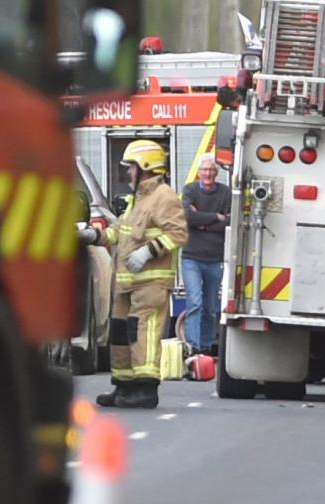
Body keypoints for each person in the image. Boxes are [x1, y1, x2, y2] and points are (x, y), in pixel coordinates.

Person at [79, 139, 187, 409]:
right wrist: (94, 235)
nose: (128, 172)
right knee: (119, 332)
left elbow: (178, 234)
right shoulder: (138, 199)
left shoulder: (164, 197)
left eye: (131, 167)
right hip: (126, 282)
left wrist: (148, 252)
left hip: (150, 282)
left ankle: (146, 389)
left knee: (142, 332)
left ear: (146, 167)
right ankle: (124, 386)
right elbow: (121, 232)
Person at [181, 154, 229, 356]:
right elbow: (186, 216)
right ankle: (193, 347)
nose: (208, 174)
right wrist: (215, 217)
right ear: (199, 172)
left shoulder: (225, 192)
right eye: (204, 170)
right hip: (191, 257)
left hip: (215, 259)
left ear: (216, 173)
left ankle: (207, 348)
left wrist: (202, 222)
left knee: (209, 307)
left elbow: (229, 222)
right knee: (195, 302)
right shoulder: (190, 190)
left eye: (211, 170)